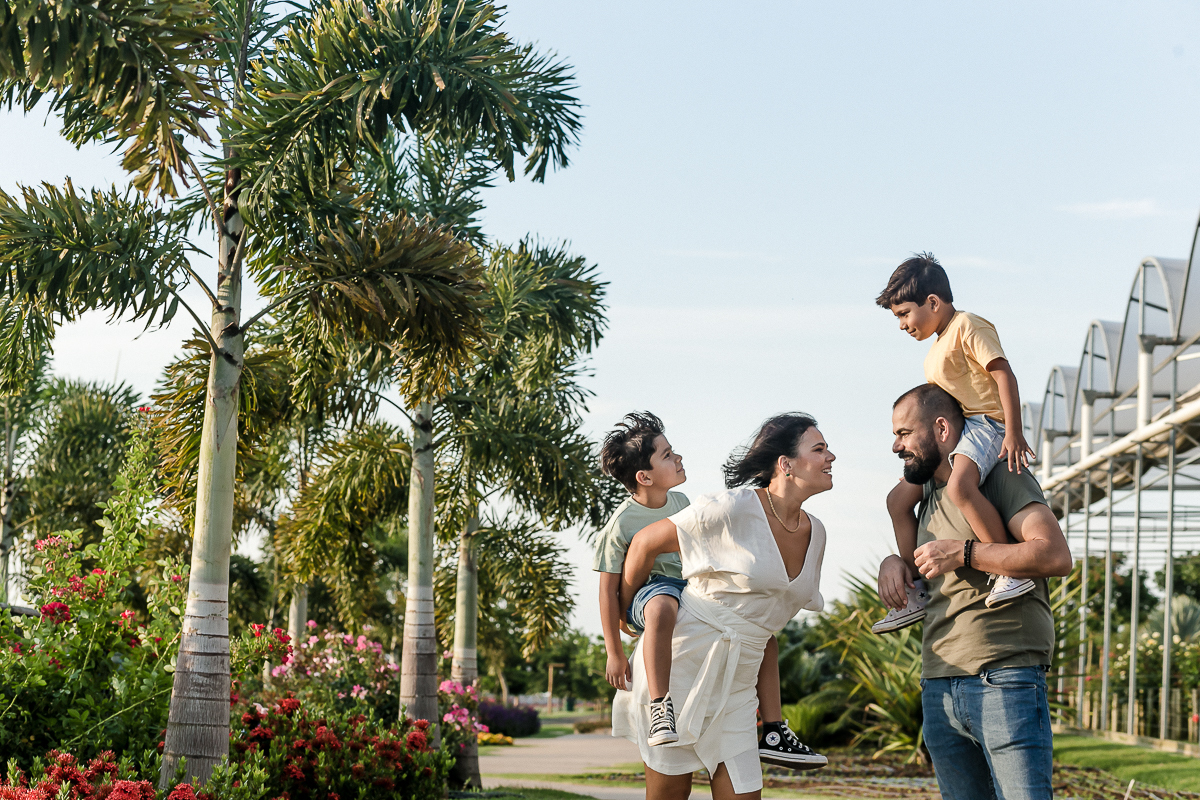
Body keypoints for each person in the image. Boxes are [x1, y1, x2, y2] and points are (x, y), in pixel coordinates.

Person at [613, 413, 832, 800]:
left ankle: (776, 733)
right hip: (681, 669)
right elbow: (645, 542)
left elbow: (765, 624)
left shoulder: (816, 534)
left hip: (739, 690)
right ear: (786, 464)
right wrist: (628, 614)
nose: (831, 457)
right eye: (819, 449)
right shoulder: (731, 508)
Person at [878, 384, 1073, 800]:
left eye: (904, 433)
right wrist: (893, 565)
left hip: (1004, 675)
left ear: (943, 429)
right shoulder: (925, 494)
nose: (896, 446)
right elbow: (922, 568)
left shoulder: (1001, 475)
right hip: (938, 683)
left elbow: (1055, 556)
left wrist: (965, 552)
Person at [594, 412, 795, 759]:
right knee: (660, 606)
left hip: (689, 586)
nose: (679, 458)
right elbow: (606, 589)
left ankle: (774, 730)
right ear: (644, 476)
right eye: (667, 455)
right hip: (652, 591)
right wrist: (614, 652)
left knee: (761, 632)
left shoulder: (682, 503)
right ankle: (660, 707)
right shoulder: (621, 523)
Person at [873, 253, 1037, 635]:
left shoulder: (967, 325)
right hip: (961, 430)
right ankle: (915, 589)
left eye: (903, 314)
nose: (901, 325)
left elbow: (1003, 374)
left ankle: (1006, 569)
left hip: (987, 425)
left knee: (961, 487)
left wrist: (1012, 430)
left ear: (933, 302)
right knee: (897, 501)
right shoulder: (934, 351)